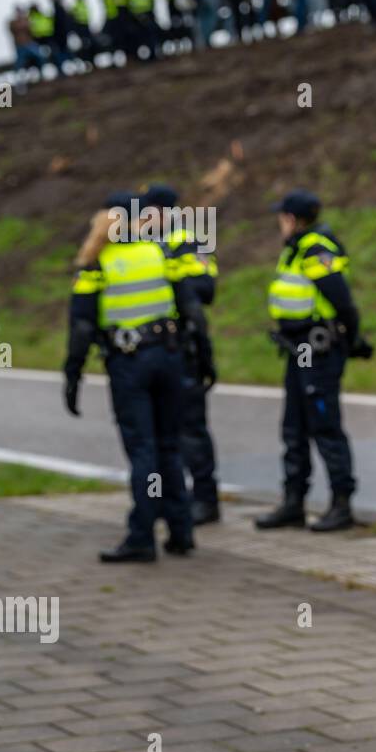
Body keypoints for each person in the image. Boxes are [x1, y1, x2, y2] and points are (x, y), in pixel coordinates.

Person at [64, 191, 210, 562]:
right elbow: (191, 307)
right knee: (169, 446)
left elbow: (81, 326)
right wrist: (204, 357)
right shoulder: (160, 252)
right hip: (170, 358)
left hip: (129, 364)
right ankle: (180, 532)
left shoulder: (97, 262)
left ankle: (142, 536)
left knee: (143, 450)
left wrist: (73, 374)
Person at [255, 190, 372, 532]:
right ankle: (293, 502)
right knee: (293, 428)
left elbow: (343, 301)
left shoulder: (314, 249)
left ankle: (341, 503)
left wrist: (351, 339)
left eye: (282, 217)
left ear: (292, 219)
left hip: (318, 352)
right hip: (298, 351)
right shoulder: (295, 249)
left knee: (325, 426)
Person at [143, 184, 221, 526]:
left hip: (183, 346)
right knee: (161, 432)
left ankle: (206, 499)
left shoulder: (188, 239)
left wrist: (172, 282)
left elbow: (206, 289)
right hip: (155, 350)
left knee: (191, 428)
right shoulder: (147, 245)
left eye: (148, 211)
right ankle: (168, 499)